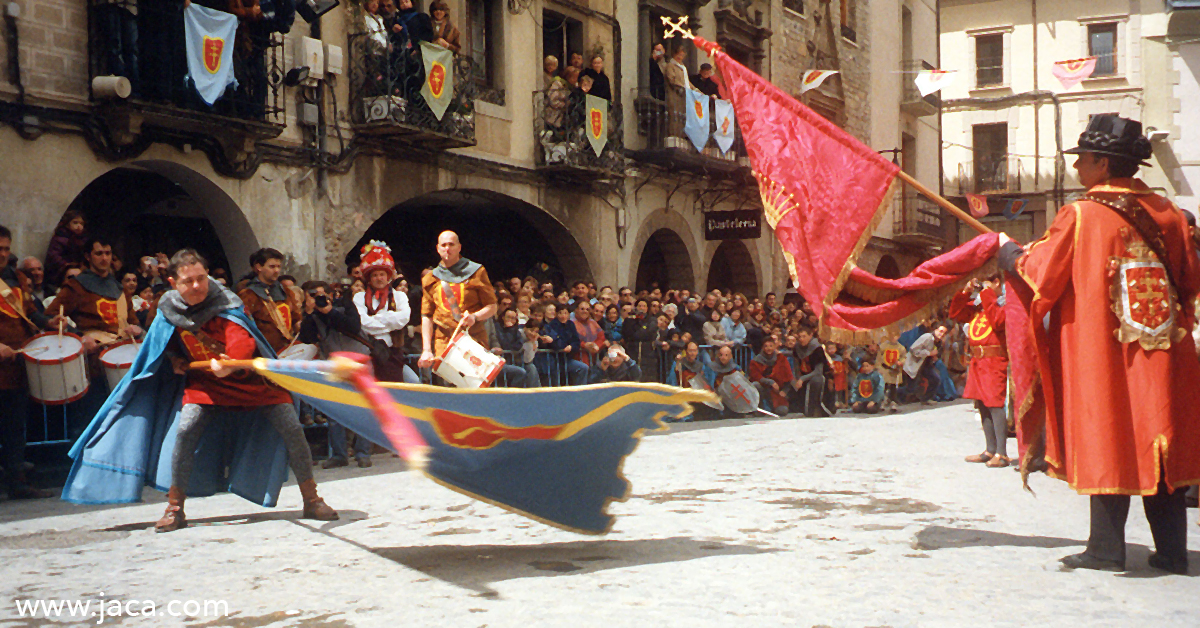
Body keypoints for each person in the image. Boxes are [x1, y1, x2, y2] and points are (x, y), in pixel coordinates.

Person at [998, 114, 1200, 574]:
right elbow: (1191, 279)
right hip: (1166, 350)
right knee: (1161, 441)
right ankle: (1171, 553)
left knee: (1108, 436)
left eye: (1083, 159)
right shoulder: (1169, 213)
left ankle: (1106, 549)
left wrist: (1009, 253)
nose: (1077, 169)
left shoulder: (1081, 215)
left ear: (1104, 164)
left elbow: (1042, 272)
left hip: (1107, 353)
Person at [63, 249, 338, 530]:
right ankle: (175, 508)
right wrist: (175, 360)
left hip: (252, 381)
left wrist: (231, 362)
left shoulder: (228, 303)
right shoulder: (168, 309)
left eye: (201, 279)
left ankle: (312, 498)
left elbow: (240, 339)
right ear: (173, 283)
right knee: (186, 430)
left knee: (291, 426)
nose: (196, 286)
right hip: (206, 385)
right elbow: (160, 346)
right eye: (188, 281)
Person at [0, 225, 53, 498]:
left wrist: (50, 322)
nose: (3, 254)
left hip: (17, 366)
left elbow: (31, 312)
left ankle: (17, 483)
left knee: (15, 426)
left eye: (7, 249)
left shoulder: (16, 278)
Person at [298, 280, 373, 468]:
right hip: (334, 363)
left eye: (322, 295)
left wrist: (329, 312)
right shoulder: (313, 316)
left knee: (364, 407)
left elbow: (353, 327)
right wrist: (309, 314)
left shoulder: (345, 304)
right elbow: (306, 338)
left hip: (359, 360)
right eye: (314, 296)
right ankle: (339, 454)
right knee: (334, 410)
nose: (319, 299)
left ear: (331, 294)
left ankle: (363, 453)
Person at [417, 232, 498, 381]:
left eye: (451, 244)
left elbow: (492, 306)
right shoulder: (430, 279)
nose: (447, 248)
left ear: (459, 247)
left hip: (472, 340)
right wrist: (426, 350)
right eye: (444, 245)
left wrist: (475, 316)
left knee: (475, 388)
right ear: (438, 249)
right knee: (448, 392)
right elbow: (426, 316)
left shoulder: (476, 272)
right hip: (444, 343)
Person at [949, 276, 1011, 467]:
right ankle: (989, 449)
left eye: (988, 282)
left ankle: (1002, 453)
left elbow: (998, 321)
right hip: (978, 361)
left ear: (997, 283)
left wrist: (986, 292)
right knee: (982, 404)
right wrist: (966, 291)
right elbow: (955, 313)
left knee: (995, 403)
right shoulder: (980, 308)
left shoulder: (1005, 306)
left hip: (994, 360)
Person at [46, 236, 143, 354]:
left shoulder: (120, 289)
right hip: (94, 351)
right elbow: (51, 316)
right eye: (99, 253)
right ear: (88, 257)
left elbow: (134, 322)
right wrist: (78, 337)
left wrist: (137, 330)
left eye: (108, 253)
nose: (104, 258)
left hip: (122, 348)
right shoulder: (76, 286)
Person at [354, 242, 419, 384]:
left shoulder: (399, 296)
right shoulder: (359, 297)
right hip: (368, 351)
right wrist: (390, 321)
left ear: (388, 276)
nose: (379, 278)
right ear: (369, 278)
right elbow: (363, 323)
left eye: (382, 274)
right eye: (375, 275)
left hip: (393, 352)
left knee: (397, 390)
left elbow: (403, 319)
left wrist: (377, 319)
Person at [237, 248, 300, 355]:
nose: (277, 271)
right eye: (272, 266)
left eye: (278, 266)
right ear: (259, 267)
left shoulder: (285, 291)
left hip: (286, 350)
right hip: (262, 353)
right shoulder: (248, 295)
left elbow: (296, 319)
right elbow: (242, 328)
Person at [543, 303, 591, 386]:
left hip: (567, 359)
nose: (563, 316)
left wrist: (571, 346)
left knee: (583, 367)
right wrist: (564, 346)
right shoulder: (551, 325)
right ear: (556, 314)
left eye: (565, 313)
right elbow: (555, 342)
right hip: (555, 360)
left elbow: (576, 341)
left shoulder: (570, 324)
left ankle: (579, 391)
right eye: (560, 313)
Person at [791, 327, 833, 417]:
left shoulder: (817, 348)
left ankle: (816, 408)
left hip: (819, 376)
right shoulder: (797, 348)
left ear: (810, 336)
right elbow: (797, 367)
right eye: (799, 337)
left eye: (804, 336)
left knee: (817, 380)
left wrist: (802, 379)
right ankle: (803, 409)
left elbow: (818, 371)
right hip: (803, 376)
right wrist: (797, 379)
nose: (802, 339)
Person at [901, 324, 946, 404]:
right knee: (910, 388)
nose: (941, 334)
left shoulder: (938, 342)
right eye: (940, 331)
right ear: (935, 329)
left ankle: (926, 399)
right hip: (915, 364)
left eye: (944, 333)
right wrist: (928, 353)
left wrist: (934, 357)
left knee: (935, 379)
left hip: (926, 365)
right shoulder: (927, 337)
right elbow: (913, 350)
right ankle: (892, 396)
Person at [748, 337, 793, 416]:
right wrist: (770, 382)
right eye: (766, 346)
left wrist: (785, 391)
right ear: (763, 347)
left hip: (777, 392)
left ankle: (773, 407)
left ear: (775, 346)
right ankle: (760, 408)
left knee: (782, 411)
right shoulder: (755, 361)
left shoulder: (781, 358)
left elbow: (788, 376)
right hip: (764, 389)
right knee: (756, 385)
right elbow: (755, 376)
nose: (768, 348)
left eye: (771, 346)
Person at [45, 211, 88, 287]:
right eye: (75, 223)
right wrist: (67, 266)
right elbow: (54, 256)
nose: (79, 226)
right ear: (67, 224)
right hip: (61, 273)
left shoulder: (83, 240)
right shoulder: (60, 238)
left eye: (81, 224)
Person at [663, 45, 690, 140]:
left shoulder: (683, 68)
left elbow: (687, 82)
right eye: (679, 55)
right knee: (674, 115)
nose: (680, 57)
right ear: (674, 54)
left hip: (685, 95)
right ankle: (674, 135)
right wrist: (681, 87)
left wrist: (697, 91)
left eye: (682, 55)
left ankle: (682, 135)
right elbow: (672, 79)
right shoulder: (671, 65)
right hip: (675, 94)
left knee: (682, 116)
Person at [875, 336, 906, 411]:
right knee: (884, 386)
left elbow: (904, 358)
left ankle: (893, 401)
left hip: (895, 370)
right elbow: (878, 358)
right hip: (885, 368)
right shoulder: (883, 346)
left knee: (893, 387)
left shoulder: (901, 348)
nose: (893, 337)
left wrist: (900, 362)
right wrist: (878, 368)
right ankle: (882, 401)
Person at [572, 299, 606, 367]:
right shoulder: (571, 323)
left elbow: (602, 338)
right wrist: (585, 345)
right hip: (577, 359)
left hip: (594, 360)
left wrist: (596, 346)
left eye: (587, 309)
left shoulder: (593, 323)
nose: (585, 311)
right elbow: (571, 339)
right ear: (576, 310)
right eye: (582, 309)